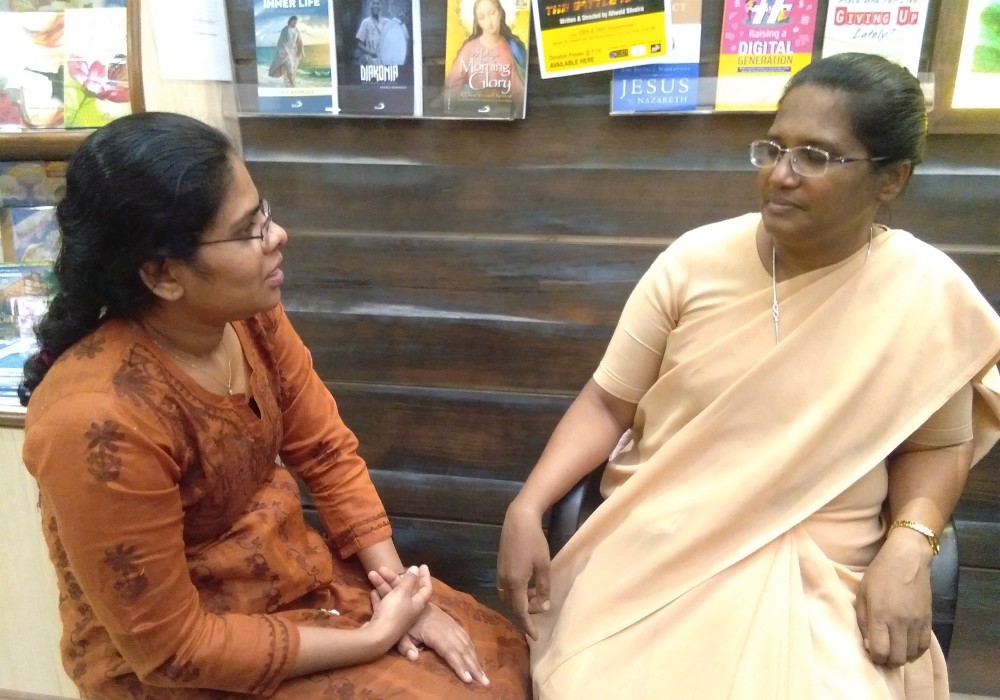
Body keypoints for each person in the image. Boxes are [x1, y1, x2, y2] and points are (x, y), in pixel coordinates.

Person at [497, 52, 1000, 699]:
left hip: (820, 564)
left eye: (816, 156)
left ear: (890, 178)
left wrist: (910, 545)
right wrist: (527, 506)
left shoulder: (926, 294)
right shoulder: (694, 263)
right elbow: (606, 403)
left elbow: (936, 445)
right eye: (773, 149)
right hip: (662, 545)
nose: (781, 176)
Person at [20, 111, 530, 700]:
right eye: (248, 230)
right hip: (186, 663)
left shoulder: (248, 316)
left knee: (500, 653)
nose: (277, 235)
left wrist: (399, 597)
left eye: (263, 212)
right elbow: (174, 650)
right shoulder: (96, 417)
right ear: (163, 274)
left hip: (288, 578)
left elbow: (327, 450)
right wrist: (372, 639)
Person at [444, 0, 527, 116]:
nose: (489, 22)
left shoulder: (513, 48)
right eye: (482, 17)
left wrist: (517, 114)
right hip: (471, 114)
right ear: (478, 21)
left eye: (492, 13)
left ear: (500, 12)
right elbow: (452, 85)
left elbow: (519, 91)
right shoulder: (469, 48)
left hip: (504, 115)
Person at [268, 16, 304, 87]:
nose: (295, 24)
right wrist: (284, 50)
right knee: (289, 66)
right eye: (294, 22)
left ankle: (289, 82)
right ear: (290, 21)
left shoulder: (296, 30)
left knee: (293, 67)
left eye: (296, 23)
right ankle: (292, 83)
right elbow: (281, 41)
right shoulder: (285, 30)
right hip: (285, 51)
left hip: (294, 52)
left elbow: (299, 42)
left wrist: (301, 51)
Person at [355, 0, 387, 65]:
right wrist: (370, 53)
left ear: (380, 6)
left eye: (377, 3)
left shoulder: (385, 22)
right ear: (370, 6)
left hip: (385, 59)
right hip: (372, 60)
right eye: (373, 3)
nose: (375, 6)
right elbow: (359, 44)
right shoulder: (366, 22)